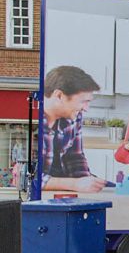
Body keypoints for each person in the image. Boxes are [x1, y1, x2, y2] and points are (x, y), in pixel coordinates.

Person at [41, 65, 105, 193]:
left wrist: (87, 183)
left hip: (65, 193)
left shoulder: (73, 117)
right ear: (59, 96)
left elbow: (75, 156)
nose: (86, 108)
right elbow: (26, 178)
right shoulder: (31, 121)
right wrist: (75, 184)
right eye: (83, 101)